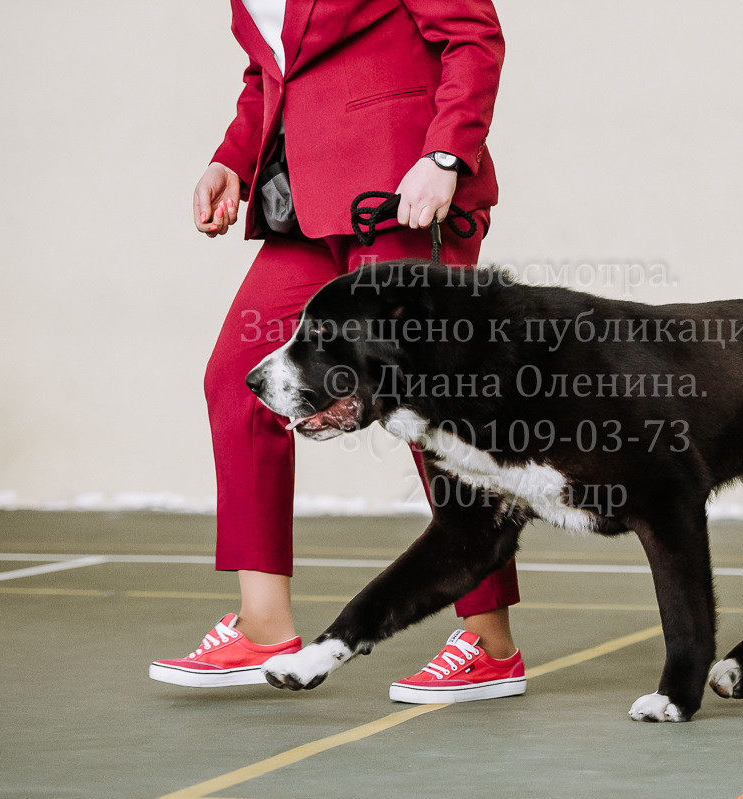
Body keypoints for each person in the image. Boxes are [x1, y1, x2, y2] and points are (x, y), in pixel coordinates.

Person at [149, 0, 524, 703]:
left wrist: (445, 156)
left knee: (429, 404)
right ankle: (262, 627)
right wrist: (231, 159)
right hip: (304, 204)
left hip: (403, 191)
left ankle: (490, 640)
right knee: (239, 381)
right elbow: (271, 71)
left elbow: (473, 35)